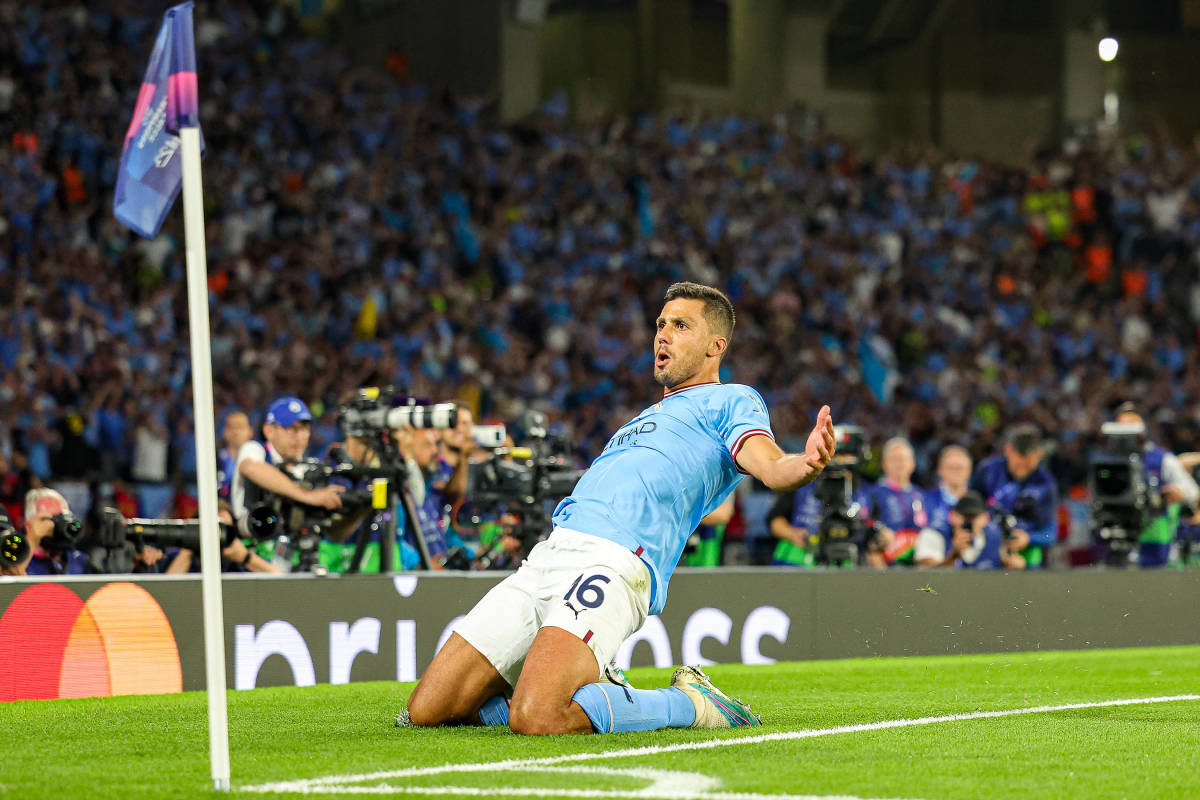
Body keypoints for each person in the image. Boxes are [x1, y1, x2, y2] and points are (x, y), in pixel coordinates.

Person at [403, 282, 836, 735]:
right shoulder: (643, 416)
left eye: (681, 325)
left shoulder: (732, 401)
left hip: (614, 562)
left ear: (716, 346)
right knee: (428, 710)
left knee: (538, 718)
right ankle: (588, 688)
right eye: (661, 324)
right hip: (549, 556)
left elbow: (770, 465)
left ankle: (691, 704)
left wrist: (804, 464)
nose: (663, 335)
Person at [230, 397, 345, 537]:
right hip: (252, 546)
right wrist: (307, 496)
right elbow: (251, 468)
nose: (298, 436)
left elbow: (334, 533)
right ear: (269, 431)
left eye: (304, 428)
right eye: (290, 428)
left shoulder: (312, 468)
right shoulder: (255, 449)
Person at [1111, 403, 1199, 567]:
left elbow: (1192, 491)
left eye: (1132, 424)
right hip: (1116, 536)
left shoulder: (1162, 459)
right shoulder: (1107, 462)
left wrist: (1178, 492)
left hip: (1155, 540)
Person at [969, 423, 1057, 568]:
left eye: (1028, 464)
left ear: (1039, 454)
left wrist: (1028, 538)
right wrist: (978, 520)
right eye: (1018, 463)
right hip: (987, 551)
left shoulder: (1046, 483)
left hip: (1026, 556)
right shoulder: (987, 471)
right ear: (1008, 449)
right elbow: (968, 510)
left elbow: (1051, 532)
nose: (1022, 469)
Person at [859, 437, 927, 566]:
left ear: (913, 463)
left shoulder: (921, 495)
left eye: (903, 459)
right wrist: (878, 532)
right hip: (886, 562)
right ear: (884, 464)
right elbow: (862, 521)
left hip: (917, 563)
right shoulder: (874, 493)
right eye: (894, 459)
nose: (899, 463)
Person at [915, 445, 972, 567]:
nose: (956, 472)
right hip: (935, 564)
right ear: (940, 470)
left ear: (969, 471)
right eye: (950, 467)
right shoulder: (925, 500)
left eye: (960, 468)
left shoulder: (978, 502)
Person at [19, 488, 91, 575]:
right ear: (28, 526)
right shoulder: (18, 563)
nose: (57, 525)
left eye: (62, 517)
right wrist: (32, 540)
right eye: (49, 519)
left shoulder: (79, 560)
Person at [217, 411, 252, 500]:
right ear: (224, 432)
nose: (235, 432)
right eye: (231, 427)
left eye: (240, 427)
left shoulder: (259, 460)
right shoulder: (215, 460)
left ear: (250, 431)